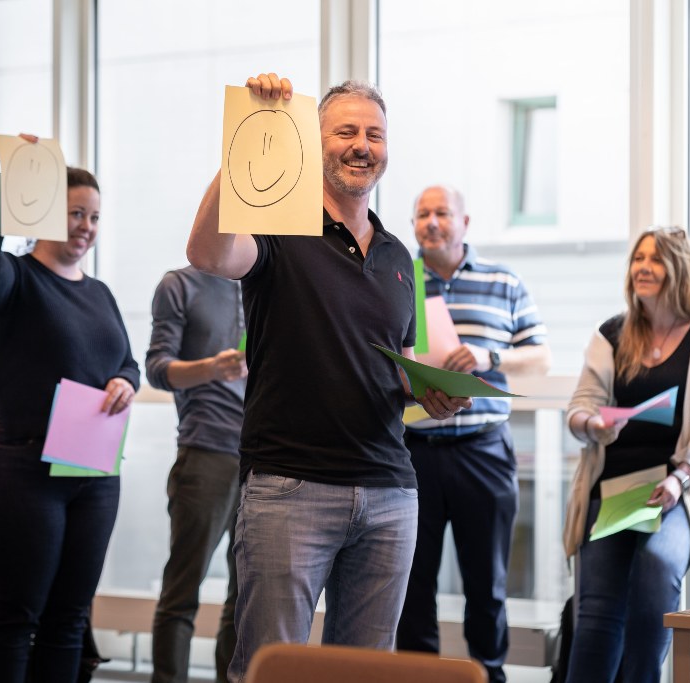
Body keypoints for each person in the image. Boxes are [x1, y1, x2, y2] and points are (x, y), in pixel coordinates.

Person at [186, 73, 471, 683]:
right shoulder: (276, 229)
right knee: (268, 670)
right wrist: (246, 138)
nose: (362, 144)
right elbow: (207, 255)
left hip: (391, 492)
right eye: (345, 130)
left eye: (375, 133)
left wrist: (430, 393)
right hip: (291, 488)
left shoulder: (399, 257)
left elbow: (394, 364)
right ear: (314, 145)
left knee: (365, 675)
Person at [0, 139, 140, 683]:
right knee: (16, 618)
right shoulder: (16, 280)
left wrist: (124, 383)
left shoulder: (102, 293)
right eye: (75, 214)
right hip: (18, 470)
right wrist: (14, 177)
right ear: (43, 215)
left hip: (91, 472)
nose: (86, 226)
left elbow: (128, 365)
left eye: (94, 217)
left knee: (69, 620)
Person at [563, 226, 690, 683]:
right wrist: (594, 423)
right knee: (597, 611)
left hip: (678, 488)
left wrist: (678, 479)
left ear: (679, 269)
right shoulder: (612, 333)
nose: (642, 267)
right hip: (614, 490)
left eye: (655, 259)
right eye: (637, 258)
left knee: (658, 569)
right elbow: (578, 409)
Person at [395, 185, 550, 683]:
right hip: (413, 450)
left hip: (482, 450)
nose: (431, 222)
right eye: (423, 214)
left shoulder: (502, 280)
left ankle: (490, 675)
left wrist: (490, 357)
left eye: (442, 213)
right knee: (412, 584)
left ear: (465, 223)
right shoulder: (399, 278)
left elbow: (540, 356)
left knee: (487, 584)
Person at [146, 266, 246, 683]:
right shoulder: (179, 284)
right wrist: (210, 368)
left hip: (265, 457)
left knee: (244, 601)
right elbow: (157, 368)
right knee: (182, 592)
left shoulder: (268, 284)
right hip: (206, 453)